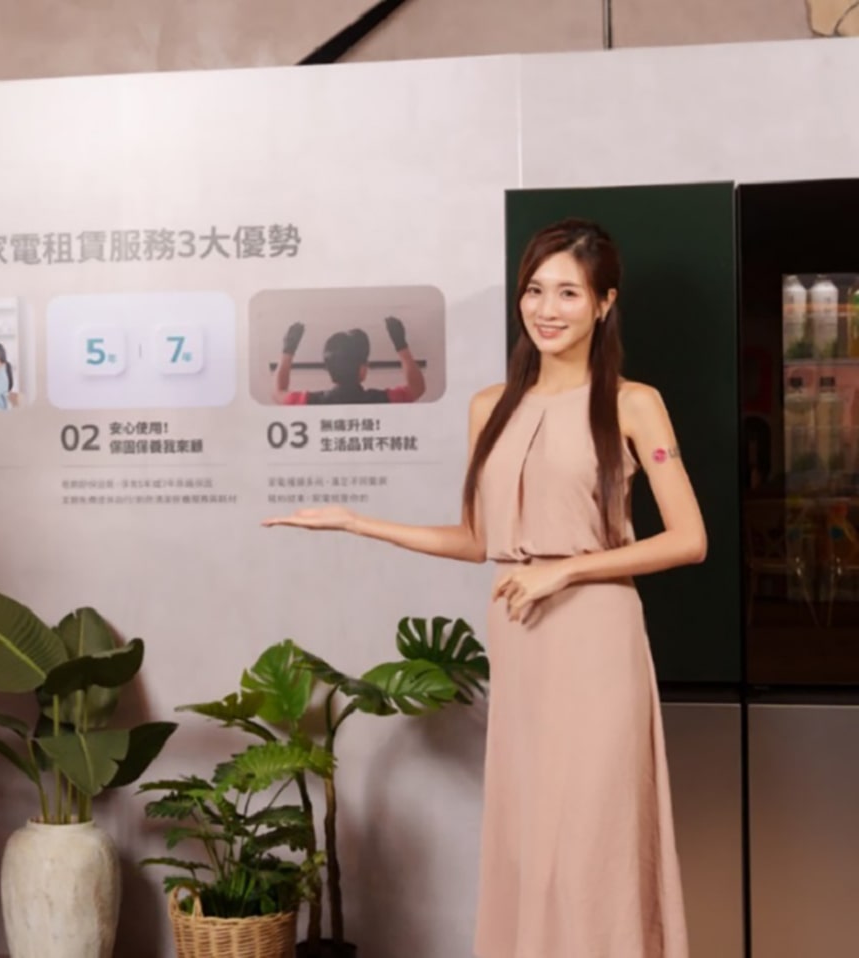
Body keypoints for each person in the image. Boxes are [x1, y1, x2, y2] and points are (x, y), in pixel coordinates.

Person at [264, 219, 703, 958]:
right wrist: (355, 522)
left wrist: (566, 567)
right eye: (535, 290)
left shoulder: (633, 403)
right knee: (530, 834)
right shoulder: (488, 406)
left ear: (604, 304)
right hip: (521, 636)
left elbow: (688, 539)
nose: (547, 308)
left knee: (594, 835)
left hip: (596, 637)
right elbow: (476, 541)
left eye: (569, 292)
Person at [272, 315, 425, 404]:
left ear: (328, 369)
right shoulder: (381, 399)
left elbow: (278, 393)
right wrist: (401, 346)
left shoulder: (310, 401)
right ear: (362, 370)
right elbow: (417, 388)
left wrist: (288, 350)